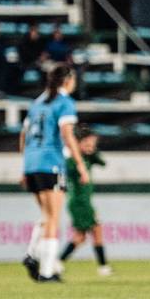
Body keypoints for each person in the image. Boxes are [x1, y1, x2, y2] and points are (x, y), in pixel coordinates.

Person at [21, 64, 88, 282]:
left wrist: (25, 165)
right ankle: (47, 271)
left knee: (45, 215)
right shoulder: (65, 103)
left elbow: (24, 137)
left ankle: (32, 254)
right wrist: (80, 164)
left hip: (32, 163)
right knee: (53, 218)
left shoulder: (37, 103)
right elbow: (67, 135)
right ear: (68, 80)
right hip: (51, 163)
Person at [58, 124, 112, 276]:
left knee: (80, 237)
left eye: (93, 144)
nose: (91, 147)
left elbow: (103, 163)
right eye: (87, 144)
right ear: (77, 144)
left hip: (85, 202)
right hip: (79, 202)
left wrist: (92, 152)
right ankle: (103, 266)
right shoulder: (72, 161)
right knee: (96, 230)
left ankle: (58, 262)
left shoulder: (88, 158)